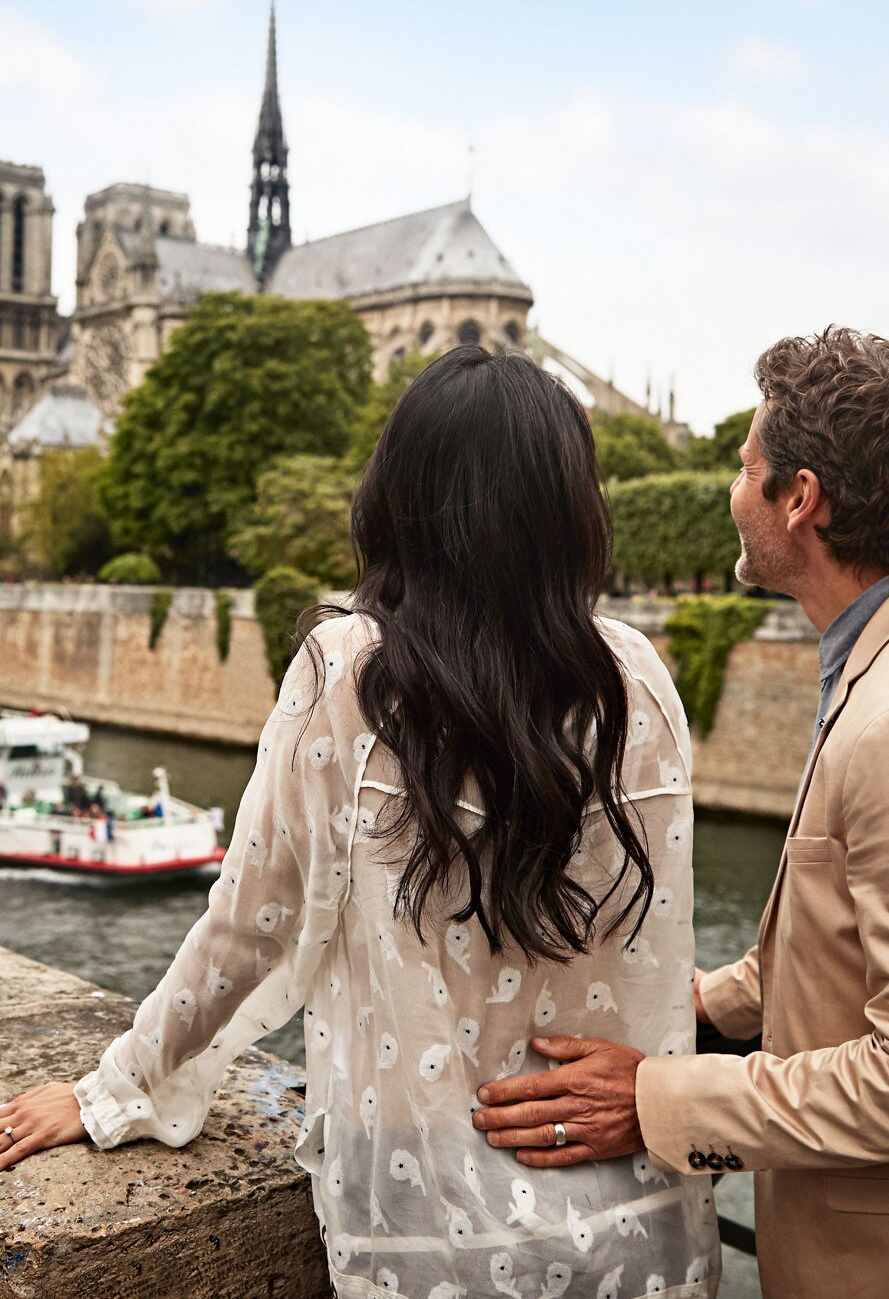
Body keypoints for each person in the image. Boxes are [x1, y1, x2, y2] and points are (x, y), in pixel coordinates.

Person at [0, 346, 719, 1299]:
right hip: (640, 1236)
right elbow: (653, 967)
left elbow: (247, 925)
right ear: (571, 511)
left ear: (400, 497)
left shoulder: (352, 676)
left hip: (430, 1240)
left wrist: (113, 1088)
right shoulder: (638, 682)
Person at [472, 328, 889, 1299]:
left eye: (743, 466)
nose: (729, 489)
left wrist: (653, 1098)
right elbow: (848, 927)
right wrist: (696, 1010)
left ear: (799, 500)